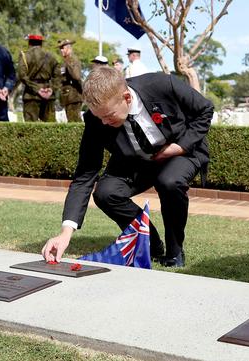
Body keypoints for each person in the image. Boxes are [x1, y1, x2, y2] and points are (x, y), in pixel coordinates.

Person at [41, 67, 213, 267]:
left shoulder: (163, 84)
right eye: (99, 117)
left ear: (126, 98)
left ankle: (175, 251)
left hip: (180, 151)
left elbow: (205, 110)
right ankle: (149, 241)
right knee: (105, 193)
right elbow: (85, 174)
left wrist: (179, 147)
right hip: (136, 161)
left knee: (169, 181)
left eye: (109, 115)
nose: (104, 122)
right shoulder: (96, 120)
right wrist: (65, 232)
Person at [18, 34, 59, 122]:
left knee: (31, 129)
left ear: (29, 43)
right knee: (50, 128)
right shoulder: (51, 56)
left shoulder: (25, 56)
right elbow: (58, 76)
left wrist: (37, 89)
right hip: (49, 95)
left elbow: (22, 76)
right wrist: (52, 89)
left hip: (31, 95)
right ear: (41, 44)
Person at [58, 39, 83, 122]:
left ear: (69, 48)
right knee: (71, 121)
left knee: (75, 122)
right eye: (60, 48)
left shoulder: (72, 60)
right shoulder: (65, 61)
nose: (61, 50)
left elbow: (76, 77)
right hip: (67, 97)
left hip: (74, 96)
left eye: (63, 48)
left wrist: (83, 92)